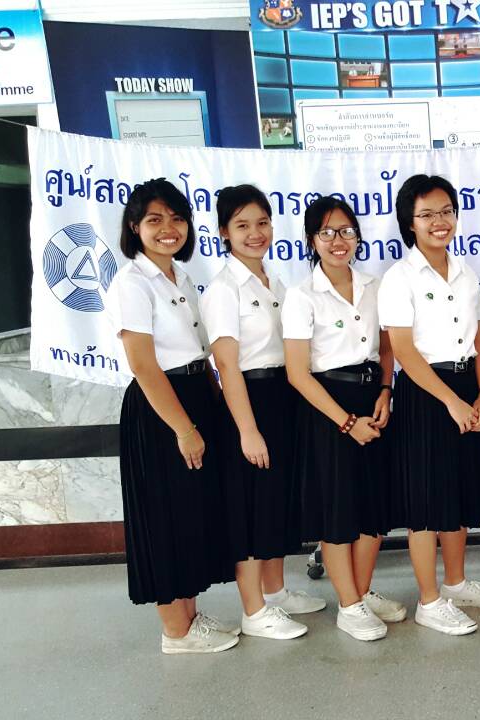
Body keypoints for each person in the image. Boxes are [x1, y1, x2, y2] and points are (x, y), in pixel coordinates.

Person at [105, 178, 238, 654]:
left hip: (195, 393)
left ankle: (190, 615)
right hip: (161, 407)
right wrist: (183, 428)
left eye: (177, 218)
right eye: (155, 219)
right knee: (163, 516)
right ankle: (175, 632)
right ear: (134, 227)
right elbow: (143, 363)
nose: (169, 229)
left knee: (188, 513)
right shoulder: (132, 282)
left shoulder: (179, 277)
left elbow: (199, 351)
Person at [378, 174, 480, 636]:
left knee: (457, 492)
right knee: (426, 502)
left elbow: (478, 337)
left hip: (465, 387)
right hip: (425, 393)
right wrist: (452, 401)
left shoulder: (464, 271)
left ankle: (455, 583)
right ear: (409, 223)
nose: (440, 221)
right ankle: (429, 601)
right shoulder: (399, 278)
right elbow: (403, 350)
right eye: (427, 214)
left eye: (446, 211)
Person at [199, 184, 325, 642]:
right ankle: (253, 609)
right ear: (224, 232)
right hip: (247, 401)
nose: (255, 233)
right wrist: (247, 431)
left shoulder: (276, 282)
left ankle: (275, 591)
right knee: (250, 507)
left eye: (262, 223)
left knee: (276, 501)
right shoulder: (223, 289)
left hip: (281, 397)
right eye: (243, 225)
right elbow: (226, 364)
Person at [283, 195, 405, 642]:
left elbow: (387, 346)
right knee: (338, 512)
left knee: (373, 508)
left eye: (347, 231)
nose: (339, 241)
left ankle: (361, 591)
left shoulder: (376, 286)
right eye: (328, 232)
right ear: (312, 240)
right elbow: (297, 373)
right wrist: (347, 423)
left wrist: (386, 391)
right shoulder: (301, 296)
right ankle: (349, 606)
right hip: (328, 407)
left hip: (373, 399)